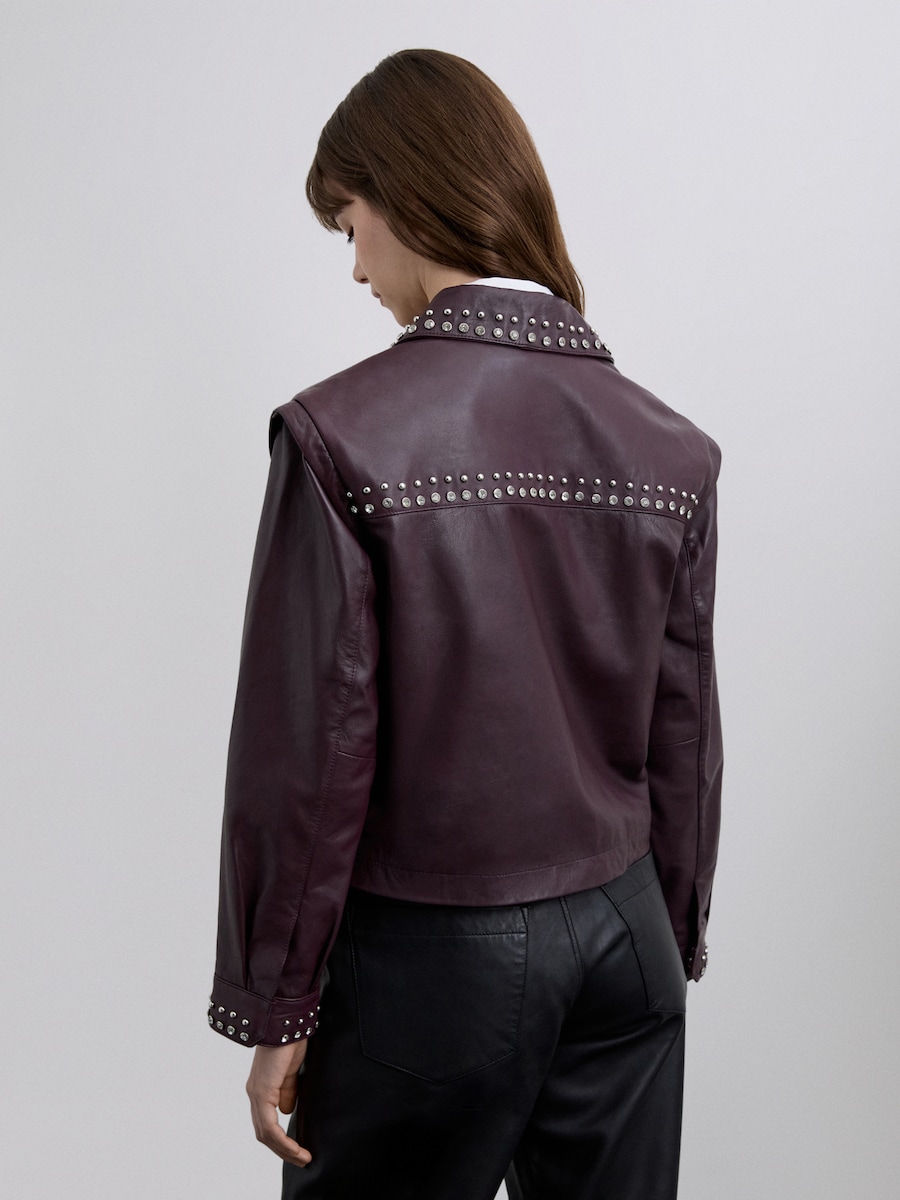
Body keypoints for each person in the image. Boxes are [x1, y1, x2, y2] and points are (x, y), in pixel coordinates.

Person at [208, 49, 722, 1200]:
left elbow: (311, 757)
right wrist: (670, 931)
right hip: (627, 938)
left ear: (407, 195)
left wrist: (277, 1001)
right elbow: (683, 729)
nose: (355, 267)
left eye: (350, 225)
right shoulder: (671, 448)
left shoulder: (340, 437)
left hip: (431, 965)